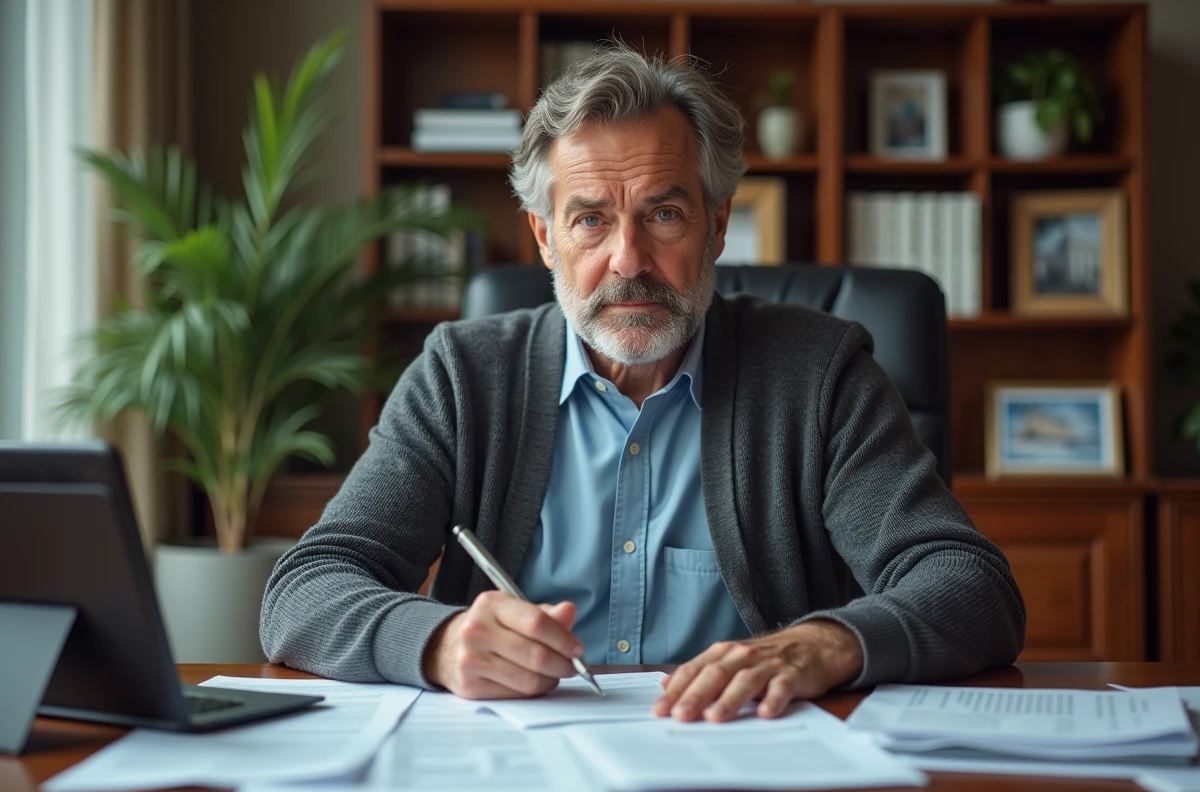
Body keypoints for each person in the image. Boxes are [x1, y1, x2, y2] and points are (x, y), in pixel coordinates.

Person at [260, 44, 1025, 724]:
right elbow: (306, 588)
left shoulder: (820, 374)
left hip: (745, 752)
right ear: (545, 238)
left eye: (663, 214)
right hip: (519, 763)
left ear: (718, 225)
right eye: (590, 220)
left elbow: (970, 586)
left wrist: (825, 645)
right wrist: (437, 641)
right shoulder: (463, 375)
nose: (628, 259)